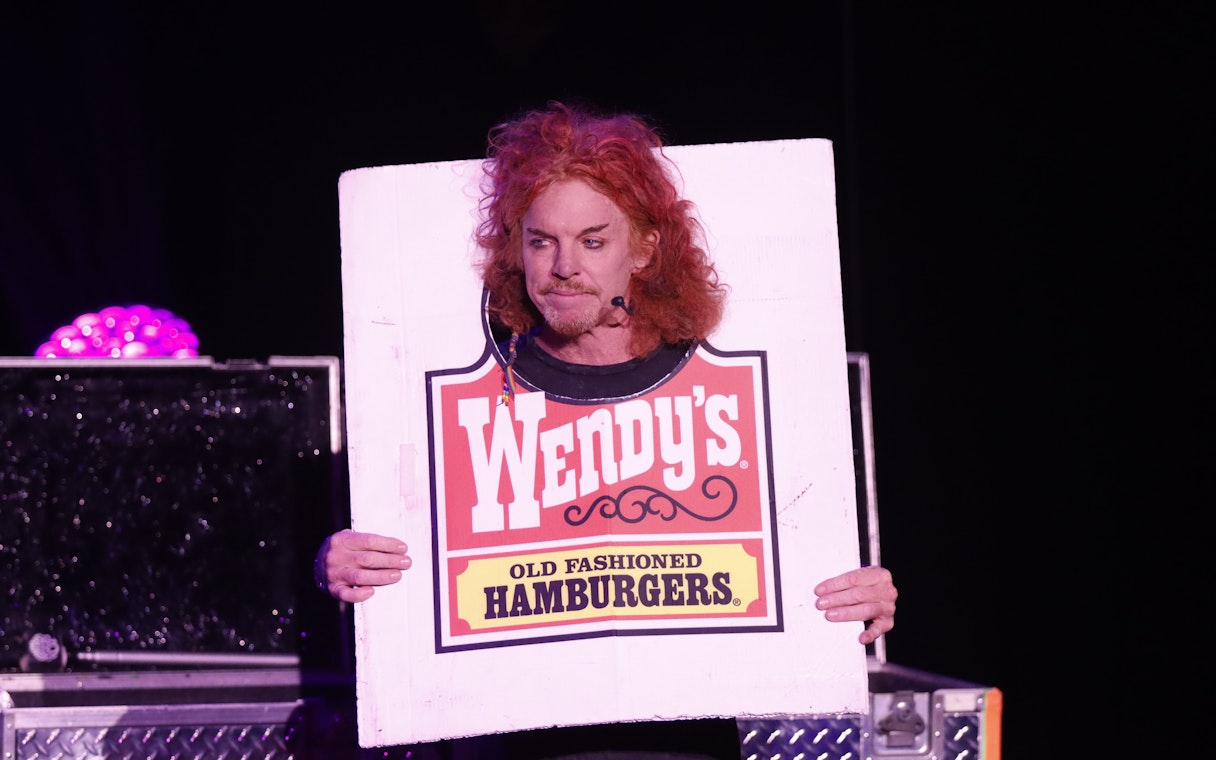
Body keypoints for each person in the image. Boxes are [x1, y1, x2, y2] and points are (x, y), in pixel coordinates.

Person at [316, 101, 897, 759]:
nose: (564, 266)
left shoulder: (738, 396)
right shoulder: (446, 401)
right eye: (542, 241)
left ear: (645, 249)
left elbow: (795, 557)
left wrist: (858, 596)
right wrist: (335, 566)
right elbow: (401, 571)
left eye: (593, 241)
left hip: (680, 747)